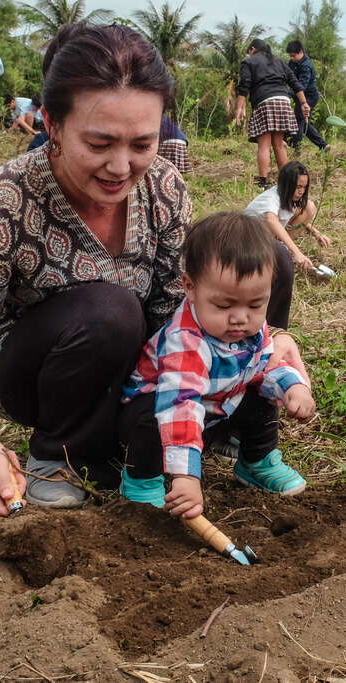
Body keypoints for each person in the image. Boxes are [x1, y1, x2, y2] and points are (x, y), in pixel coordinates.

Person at [0, 22, 308, 516]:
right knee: (110, 310)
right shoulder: (6, 203)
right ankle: (60, 454)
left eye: (142, 144)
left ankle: (220, 424)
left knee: (269, 262)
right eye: (99, 144)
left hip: (135, 367)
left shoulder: (163, 186)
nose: (122, 167)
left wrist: (267, 339)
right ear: (51, 124)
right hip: (44, 369)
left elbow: (177, 304)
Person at [118, 213, 314, 516]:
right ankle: (142, 480)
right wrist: (186, 477)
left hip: (212, 409)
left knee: (260, 394)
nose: (240, 317)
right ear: (190, 287)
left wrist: (292, 387)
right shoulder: (185, 340)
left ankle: (256, 461)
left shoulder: (250, 329)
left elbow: (265, 364)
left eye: (255, 305)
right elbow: (179, 407)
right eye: (224, 305)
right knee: (149, 419)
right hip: (164, 410)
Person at [234, 39, 309, 189]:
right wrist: (304, 103)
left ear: (252, 49)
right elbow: (294, 82)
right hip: (283, 101)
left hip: (264, 101)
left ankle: (263, 182)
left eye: (249, 52)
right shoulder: (280, 61)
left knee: (264, 145)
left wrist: (240, 108)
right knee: (278, 145)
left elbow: (245, 85)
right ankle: (287, 182)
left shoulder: (249, 62)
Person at [245, 160, 330, 273]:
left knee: (309, 206)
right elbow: (271, 220)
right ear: (287, 184)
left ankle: (281, 249)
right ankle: (276, 253)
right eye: (298, 187)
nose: (301, 191)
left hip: (268, 238)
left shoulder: (289, 197)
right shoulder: (270, 198)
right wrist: (297, 252)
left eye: (304, 187)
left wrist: (316, 233)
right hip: (248, 242)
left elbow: (296, 218)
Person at [286, 41, 327, 152]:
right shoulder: (293, 62)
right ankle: (323, 145)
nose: (292, 58)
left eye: (293, 56)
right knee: (302, 123)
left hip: (309, 97)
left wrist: (287, 95)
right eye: (290, 56)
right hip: (300, 96)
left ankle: (296, 148)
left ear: (300, 52)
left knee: (299, 119)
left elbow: (301, 86)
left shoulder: (306, 66)